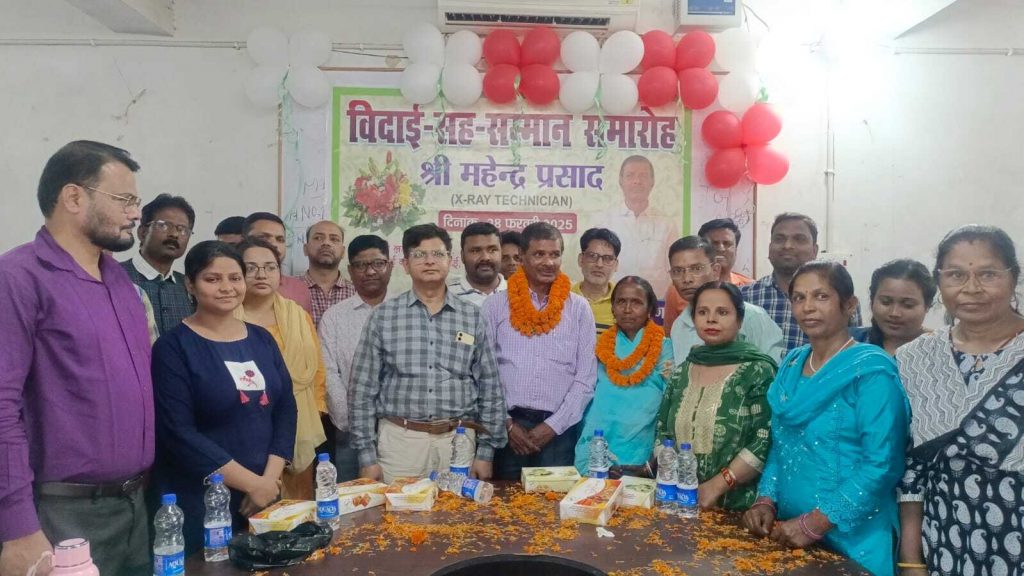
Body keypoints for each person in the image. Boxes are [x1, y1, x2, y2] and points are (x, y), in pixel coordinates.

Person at [0, 141, 153, 576]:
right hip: (61, 514)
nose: (135, 213)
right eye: (124, 200)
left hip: (135, 506)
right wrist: (17, 527)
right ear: (73, 197)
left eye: (136, 202)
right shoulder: (18, 277)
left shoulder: (119, 282)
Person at [742, 261, 909, 576]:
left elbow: (882, 464)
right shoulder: (792, 365)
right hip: (789, 533)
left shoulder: (871, 372)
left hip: (854, 539)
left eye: (821, 296)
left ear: (849, 305)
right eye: (799, 298)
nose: (808, 307)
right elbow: (781, 446)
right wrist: (765, 500)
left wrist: (816, 523)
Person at [151, 241, 296, 554]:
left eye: (235, 278)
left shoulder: (261, 339)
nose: (227, 287)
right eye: (212, 279)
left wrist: (268, 481)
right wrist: (251, 484)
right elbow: (178, 432)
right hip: (203, 498)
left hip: (265, 493)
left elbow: (285, 407)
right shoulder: (172, 348)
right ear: (190, 284)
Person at [896, 225, 1024, 576]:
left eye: (988, 274)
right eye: (956, 275)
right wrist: (911, 559)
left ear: (1013, 278)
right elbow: (912, 467)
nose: (972, 288)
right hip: (945, 537)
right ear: (939, 282)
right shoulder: (915, 357)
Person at [350, 224, 507, 484]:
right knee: (398, 511)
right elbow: (362, 391)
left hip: (458, 441)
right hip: (400, 443)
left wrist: (486, 453)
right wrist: (367, 457)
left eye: (437, 254)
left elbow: (490, 387)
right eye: (420, 255)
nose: (430, 261)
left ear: (450, 260)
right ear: (405, 264)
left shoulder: (472, 317)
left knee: (458, 510)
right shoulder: (384, 317)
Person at [482, 222, 598, 480]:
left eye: (555, 254)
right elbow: (484, 375)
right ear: (522, 257)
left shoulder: (579, 308)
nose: (548, 262)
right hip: (507, 431)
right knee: (504, 503)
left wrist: (552, 426)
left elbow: (586, 378)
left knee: (555, 504)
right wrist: (507, 424)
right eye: (539, 254)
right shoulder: (495, 306)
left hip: (559, 433)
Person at [656, 282, 777, 510]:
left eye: (722, 312)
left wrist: (717, 486)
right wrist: (674, 482)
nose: (711, 319)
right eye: (703, 312)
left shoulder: (758, 371)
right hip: (681, 501)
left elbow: (764, 437)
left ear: (739, 320)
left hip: (737, 506)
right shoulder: (682, 372)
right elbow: (662, 429)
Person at [234, 238, 326, 500]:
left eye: (270, 267)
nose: (261, 274)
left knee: (298, 510)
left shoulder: (298, 316)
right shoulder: (226, 320)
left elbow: (316, 372)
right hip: (245, 432)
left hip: (300, 430)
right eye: (251, 268)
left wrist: (309, 419)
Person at [573, 276, 671, 477]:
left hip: (640, 441)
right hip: (598, 438)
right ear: (613, 308)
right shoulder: (602, 348)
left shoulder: (664, 348)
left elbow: (671, 398)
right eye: (621, 302)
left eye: (636, 302)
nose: (627, 309)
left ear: (650, 309)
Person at [319, 235, 394, 483]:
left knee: (402, 498)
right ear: (350, 271)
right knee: (355, 500)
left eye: (378, 263)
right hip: (350, 433)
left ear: (390, 266)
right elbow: (329, 373)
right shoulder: (334, 317)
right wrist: (351, 421)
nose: (370, 271)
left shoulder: (407, 311)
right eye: (361, 265)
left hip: (401, 431)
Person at [743, 213, 862, 351]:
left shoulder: (841, 297)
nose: (787, 245)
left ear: (814, 250)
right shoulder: (744, 296)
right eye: (779, 239)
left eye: (799, 239)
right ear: (770, 248)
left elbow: (853, 348)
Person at [668, 237, 785, 362]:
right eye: (677, 271)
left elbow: (772, 368)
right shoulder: (679, 327)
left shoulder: (752, 316)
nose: (686, 279)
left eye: (696, 269)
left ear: (715, 270)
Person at [121, 193, 196, 335]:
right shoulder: (115, 275)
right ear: (142, 232)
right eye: (164, 226)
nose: (174, 234)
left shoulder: (189, 286)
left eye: (182, 229)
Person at [663, 218, 754, 331]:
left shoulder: (751, 289)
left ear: (736, 250)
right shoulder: (677, 292)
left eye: (727, 243)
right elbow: (671, 335)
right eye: (714, 243)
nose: (721, 249)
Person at [603, 155, 677, 294]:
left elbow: (674, 271)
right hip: (613, 300)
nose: (637, 181)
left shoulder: (667, 225)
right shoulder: (605, 222)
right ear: (621, 181)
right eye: (630, 175)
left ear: (652, 182)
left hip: (656, 302)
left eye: (643, 176)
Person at [850, 259, 935, 355]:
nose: (894, 313)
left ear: (927, 305)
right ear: (872, 302)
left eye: (908, 305)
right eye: (886, 302)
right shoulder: (849, 342)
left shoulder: (939, 350)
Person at [243, 212, 313, 314]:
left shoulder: (298, 289)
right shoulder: (231, 286)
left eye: (280, 239)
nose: (274, 244)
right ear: (243, 240)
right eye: (263, 238)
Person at [302, 220, 355, 326]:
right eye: (318, 238)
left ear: (343, 252)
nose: (326, 243)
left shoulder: (357, 294)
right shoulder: (287, 291)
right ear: (305, 249)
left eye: (334, 239)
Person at [571, 227, 621, 336]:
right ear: (581, 259)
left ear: (616, 265)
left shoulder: (623, 302)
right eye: (592, 256)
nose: (599, 264)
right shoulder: (564, 298)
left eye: (607, 258)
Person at [448, 222, 506, 306]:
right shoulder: (446, 297)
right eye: (475, 251)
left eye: (492, 250)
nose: (485, 257)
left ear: (501, 253)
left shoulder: (521, 293)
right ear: (462, 256)